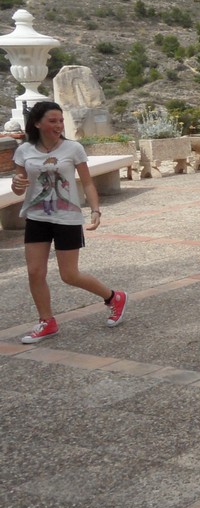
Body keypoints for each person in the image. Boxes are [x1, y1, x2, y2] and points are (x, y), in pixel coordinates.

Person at [10, 101, 128, 343]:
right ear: (37, 123)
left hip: (67, 218)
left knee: (69, 274)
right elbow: (19, 187)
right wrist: (16, 184)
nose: (58, 125)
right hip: (36, 217)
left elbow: (86, 182)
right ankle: (47, 321)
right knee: (34, 272)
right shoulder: (24, 151)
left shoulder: (72, 149)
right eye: (52, 121)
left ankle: (114, 297)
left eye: (60, 120)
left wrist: (95, 210)